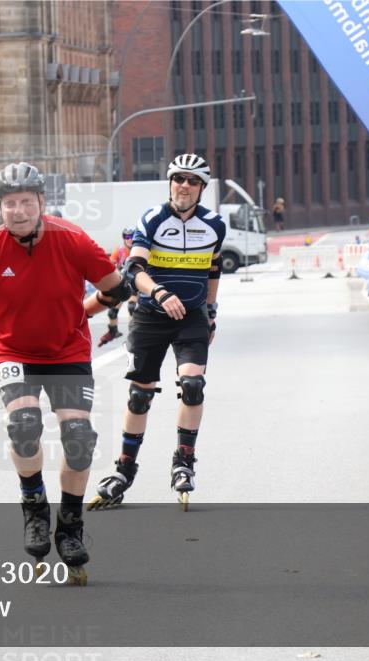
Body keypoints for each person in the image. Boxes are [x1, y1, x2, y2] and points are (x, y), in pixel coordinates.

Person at [0, 162, 131, 584]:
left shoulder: (71, 239)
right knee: (24, 425)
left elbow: (116, 288)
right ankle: (33, 504)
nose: (18, 211)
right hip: (12, 349)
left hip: (66, 350)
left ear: (41, 203)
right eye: (9, 204)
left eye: (26, 202)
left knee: (80, 441)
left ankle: (69, 525)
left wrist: (81, 313)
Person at [88, 152, 225, 512]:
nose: (184, 185)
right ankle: (124, 469)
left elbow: (213, 271)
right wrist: (160, 293)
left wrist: (211, 312)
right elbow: (133, 268)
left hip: (192, 314)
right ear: (170, 182)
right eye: (178, 178)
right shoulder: (152, 219)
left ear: (202, 188)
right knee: (139, 394)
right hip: (151, 314)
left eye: (192, 181)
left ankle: (183, 461)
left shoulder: (214, 225)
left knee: (193, 385)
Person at [98, 227, 139, 347]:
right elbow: (110, 265)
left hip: (135, 284)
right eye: (127, 237)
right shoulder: (120, 251)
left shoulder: (139, 249)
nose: (130, 240)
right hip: (122, 284)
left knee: (131, 307)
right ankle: (113, 331)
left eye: (132, 237)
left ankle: (132, 336)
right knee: (112, 312)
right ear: (123, 239)